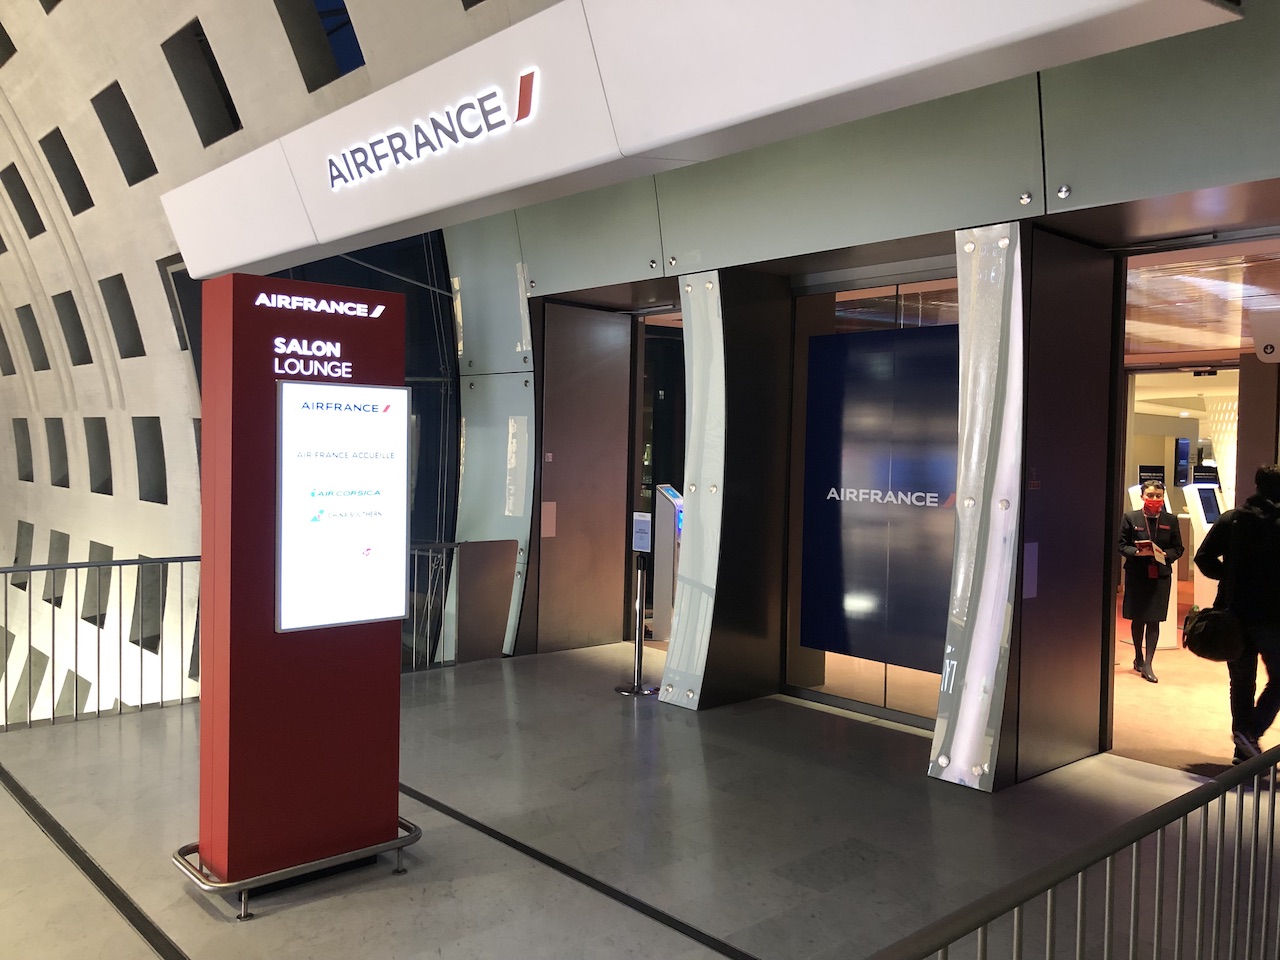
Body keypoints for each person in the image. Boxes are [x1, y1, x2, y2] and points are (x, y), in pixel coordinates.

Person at [1194, 464, 1280, 763]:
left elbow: (1203, 558)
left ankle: (1242, 749)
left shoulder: (1232, 519)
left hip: (1234, 613)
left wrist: (1230, 578)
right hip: (1272, 617)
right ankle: (1250, 734)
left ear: (1256, 486)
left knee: (1241, 684)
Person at [1118, 480, 1184, 683]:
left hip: (1160, 575)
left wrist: (1165, 554)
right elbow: (1122, 545)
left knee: (1154, 619)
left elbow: (1178, 548)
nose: (1154, 499)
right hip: (1137, 574)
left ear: (1163, 497)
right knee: (1138, 618)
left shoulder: (1170, 520)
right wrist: (1137, 552)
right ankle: (1138, 656)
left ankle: (1148, 663)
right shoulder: (1131, 517)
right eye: (1150, 495)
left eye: (1158, 496)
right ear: (1142, 497)